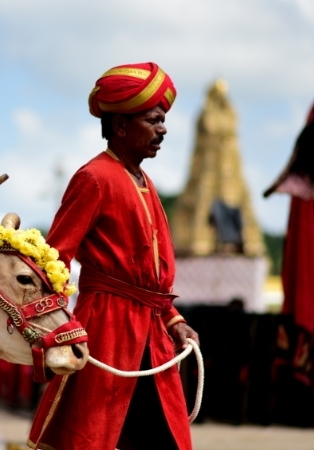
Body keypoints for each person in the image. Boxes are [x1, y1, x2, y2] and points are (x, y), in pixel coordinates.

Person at [27, 63, 200, 450]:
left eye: (164, 120)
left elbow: (152, 280)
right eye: (154, 120)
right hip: (106, 332)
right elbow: (53, 262)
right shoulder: (94, 177)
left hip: (152, 335)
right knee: (98, 436)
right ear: (120, 126)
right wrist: (56, 327)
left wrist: (174, 320)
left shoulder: (145, 182)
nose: (163, 129)